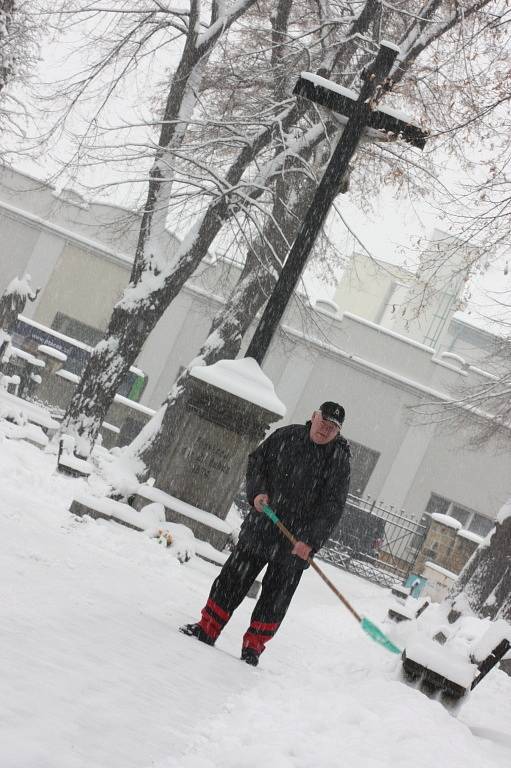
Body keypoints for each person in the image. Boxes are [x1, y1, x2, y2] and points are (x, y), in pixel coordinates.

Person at [180, 401, 351, 666]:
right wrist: (258, 491)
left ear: (338, 432)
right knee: (232, 579)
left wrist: (310, 542)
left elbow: (332, 506)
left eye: (332, 428)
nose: (325, 430)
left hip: (297, 542)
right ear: (313, 417)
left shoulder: (338, 461)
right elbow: (257, 461)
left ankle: (253, 647)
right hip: (263, 525)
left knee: (276, 597)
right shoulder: (287, 436)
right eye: (323, 423)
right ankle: (208, 627)